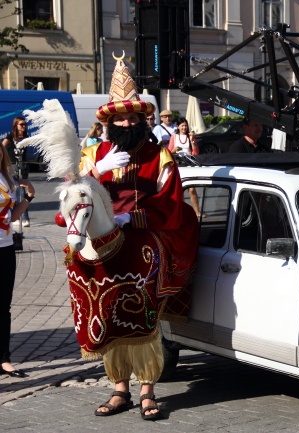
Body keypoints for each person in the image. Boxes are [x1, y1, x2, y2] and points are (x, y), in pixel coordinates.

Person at [78, 57, 199, 420]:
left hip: (146, 241)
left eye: (133, 118)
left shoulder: (160, 155)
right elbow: (74, 198)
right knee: (111, 315)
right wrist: (95, 173)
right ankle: (120, 390)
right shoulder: (93, 155)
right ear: (109, 123)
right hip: (105, 246)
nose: (127, 123)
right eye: (120, 119)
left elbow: (172, 203)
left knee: (144, 317)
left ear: (144, 121)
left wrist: (133, 216)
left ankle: (147, 391)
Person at [0, 144, 35, 378]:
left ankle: (4, 359)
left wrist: (30, 196)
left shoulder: (7, 180)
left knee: (3, 306)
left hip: (5, 247)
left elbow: (11, 216)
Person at [168, 118, 201, 217]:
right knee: (180, 189)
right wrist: (174, 149)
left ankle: (197, 211)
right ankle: (181, 211)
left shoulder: (190, 136)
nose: (184, 127)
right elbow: (169, 151)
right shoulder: (174, 137)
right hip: (178, 165)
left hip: (188, 165)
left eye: (185, 125)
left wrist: (193, 142)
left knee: (191, 189)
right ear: (178, 126)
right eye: (182, 125)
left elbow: (195, 153)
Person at [2, 117, 30, 227]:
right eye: (21, 124)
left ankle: (26, 218)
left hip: (23, 166)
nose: (24, 126)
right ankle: (16, 217)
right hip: (12, 166)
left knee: (24, 192)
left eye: (25, 124)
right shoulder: (10, 136)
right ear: (16, 125)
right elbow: (2, 147)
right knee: (15, 191)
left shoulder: (26, 137)